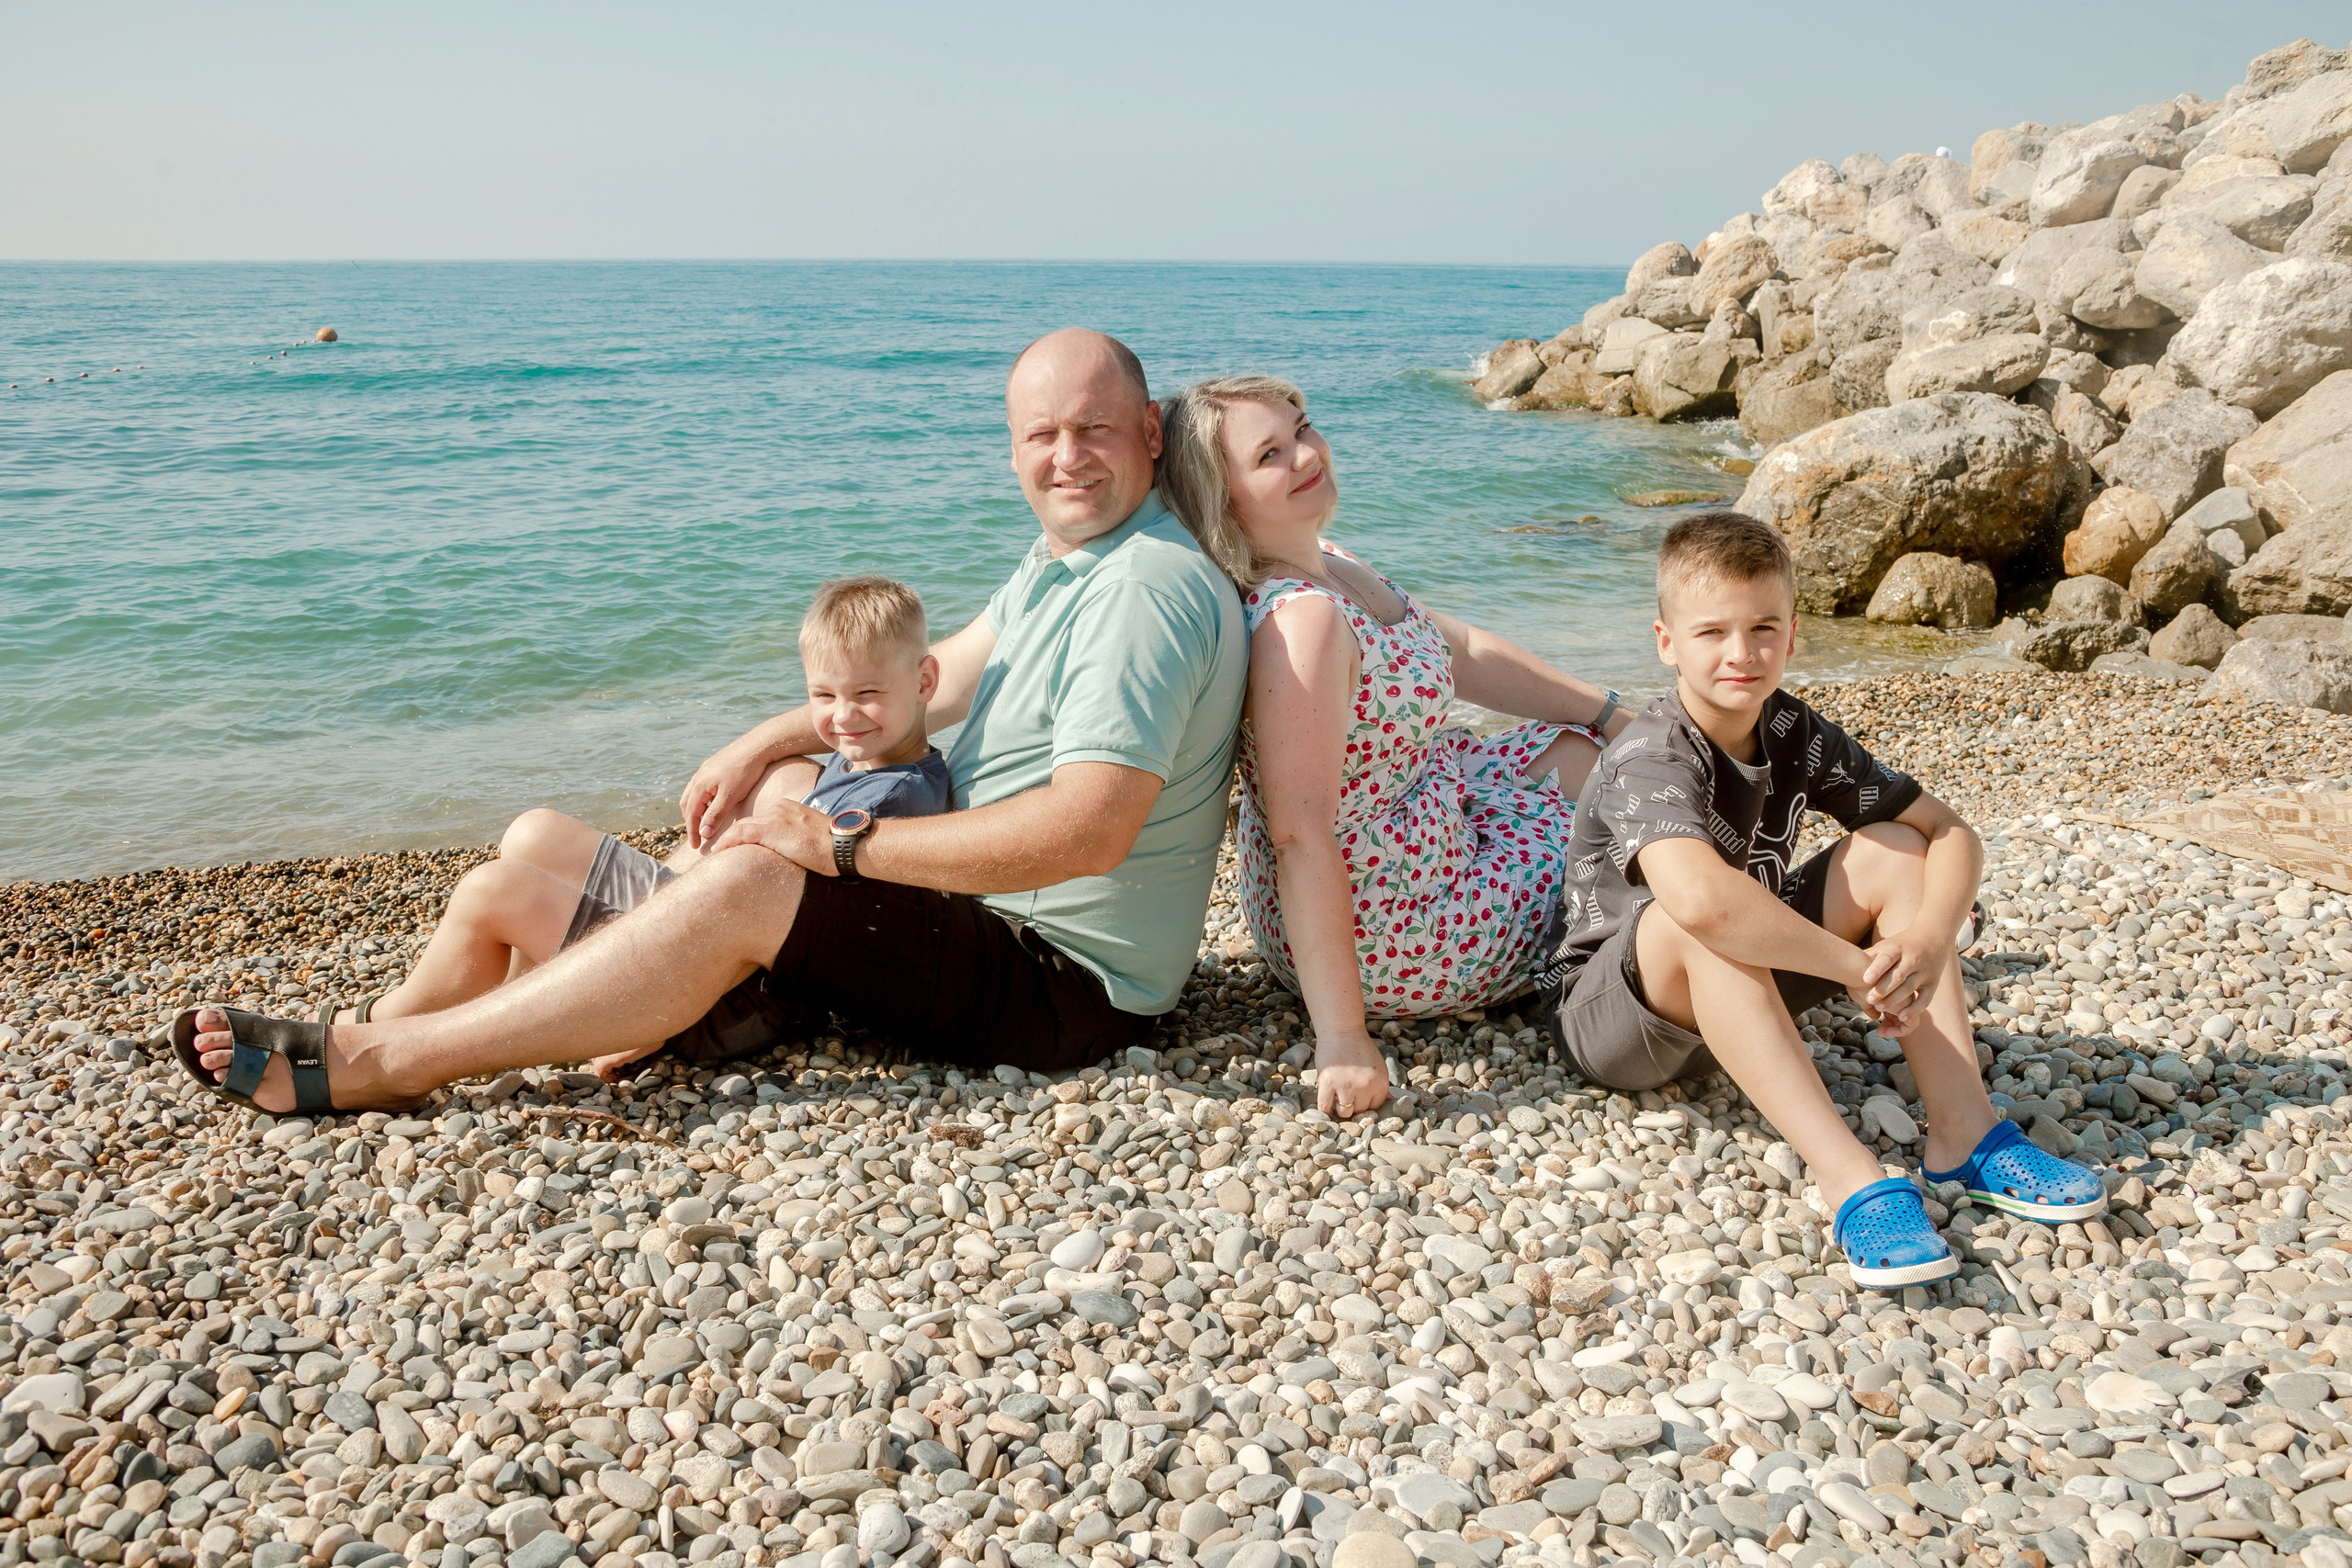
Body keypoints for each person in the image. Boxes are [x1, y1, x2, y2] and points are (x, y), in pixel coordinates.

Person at [171, 329, 1249, 1113]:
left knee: (765, 864)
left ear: (1148, 434)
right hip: (986, 929)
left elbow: (1090, 830)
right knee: (554, 837)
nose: (1065, 458)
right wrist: (763, 744)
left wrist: (840, 843)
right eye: (1040, 434)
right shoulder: (1070, 563)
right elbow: (945, 680)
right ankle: (424, 1024)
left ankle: (385, 1062)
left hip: (1064, 985)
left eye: (1094, 430)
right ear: (1011, 446)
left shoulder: (1142, 589)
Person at [1531, 511, 2105, 1289]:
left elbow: (1950, 832)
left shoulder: (1797, 730)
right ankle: (1851, 1177)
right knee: (1699, 917)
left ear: (1793, 634)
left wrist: (1931, 938)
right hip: (1620, 1016)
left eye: (1763, 627)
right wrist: (1859, 967)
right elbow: (1699, 901)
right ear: (1667, 642)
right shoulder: (1650, 753)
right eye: (1712, 634)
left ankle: (1964, 1134)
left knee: (1898, 848)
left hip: (1744, 991)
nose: (1742, 653)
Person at [1154, 375, 1630, 1123]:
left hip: (1422, 812)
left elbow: (1464, 652)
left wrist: (1610, 711)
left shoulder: (1331, 559)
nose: (1306, 453)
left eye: (1303, 428)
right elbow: (1297, 831)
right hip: (1394, 920)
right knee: (1623, 827)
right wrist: (1342, 1038)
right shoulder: (1301, 625)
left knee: (1595, 753)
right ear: (1223, 498)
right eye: (1270, 453)